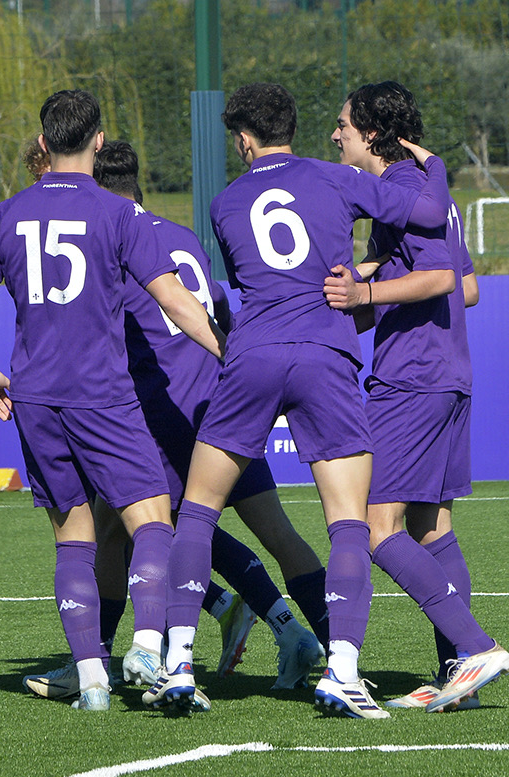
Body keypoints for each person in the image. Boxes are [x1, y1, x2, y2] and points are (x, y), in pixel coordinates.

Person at [150, 82, 453, 719]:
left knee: (199, 507)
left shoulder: (225, 201)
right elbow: (424, 215)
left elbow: (245, 277)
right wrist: (432, 166)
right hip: (326, 353)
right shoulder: (333, 177)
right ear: (294, 126)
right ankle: (342, 670)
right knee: (347, 520)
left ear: (243, 139)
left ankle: (176, 664)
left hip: (252, 353)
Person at [22, 140, 327, 705]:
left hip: (159, 412)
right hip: (220, 400)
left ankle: (98, 662)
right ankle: (323, 649)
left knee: (126, 530)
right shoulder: (182, 235)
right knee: (273, 532)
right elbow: (208, 307)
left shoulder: (109, 236)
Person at [0, 89, 226, 713]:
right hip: (102, 393)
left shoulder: (5, 214)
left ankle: (94, 681)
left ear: (44, 144)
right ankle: (147, 646)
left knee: (73, 534)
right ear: (98, 142)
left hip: (36, 396)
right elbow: (177, 302)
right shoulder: (119, 214)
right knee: (153, 520)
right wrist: (228, 353)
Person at [323, 81, 507, 712]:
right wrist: (368, 281)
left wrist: (367, 295)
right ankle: (463, 679)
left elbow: (440, 278)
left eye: (343, 123)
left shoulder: (403, 191)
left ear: (371, 132)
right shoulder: (427, 188)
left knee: (374, 527)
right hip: (449, 372)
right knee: (432, 527)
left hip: (413, 378)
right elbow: (470, 290)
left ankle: (476, 647)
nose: (336, 133)